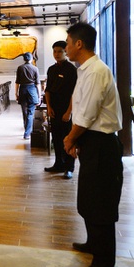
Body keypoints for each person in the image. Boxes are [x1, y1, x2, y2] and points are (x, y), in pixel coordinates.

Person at [63, 22, 123, 267]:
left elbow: (87, 114)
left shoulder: (96, 71)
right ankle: (93, 244)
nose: (65, 48)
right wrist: (77, 138)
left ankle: (104, 264)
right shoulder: (86, 70)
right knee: (90, 198)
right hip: (91, 141)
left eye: (67, 43)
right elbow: (82, 109)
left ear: (79, 44)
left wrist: (70, 138)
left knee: (101, 203)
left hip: (101, 144)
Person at [44, 40, 77, 179]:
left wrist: (69, 112)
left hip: (66, 109)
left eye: (60, 51)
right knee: (56, 138)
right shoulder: (51, 69)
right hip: (54, 109)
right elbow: (48, 90)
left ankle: (69, 167)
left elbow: (74, 93)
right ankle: (58, 163)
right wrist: (49, 107)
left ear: (66, 52)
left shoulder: (71, 69)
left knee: (68, 138)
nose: (56, 54)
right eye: (54, 51)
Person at [15, 52, 40, 139]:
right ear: (31, 59)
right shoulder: (35, 68)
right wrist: (39, 96)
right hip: (32, 90)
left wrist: (16, 93)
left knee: (24, 112)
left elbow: (17, 82)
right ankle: (27, 133)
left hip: (22, 90)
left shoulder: (20, 68)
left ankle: (27, 130)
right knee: (30, 113)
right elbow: (37, 84)